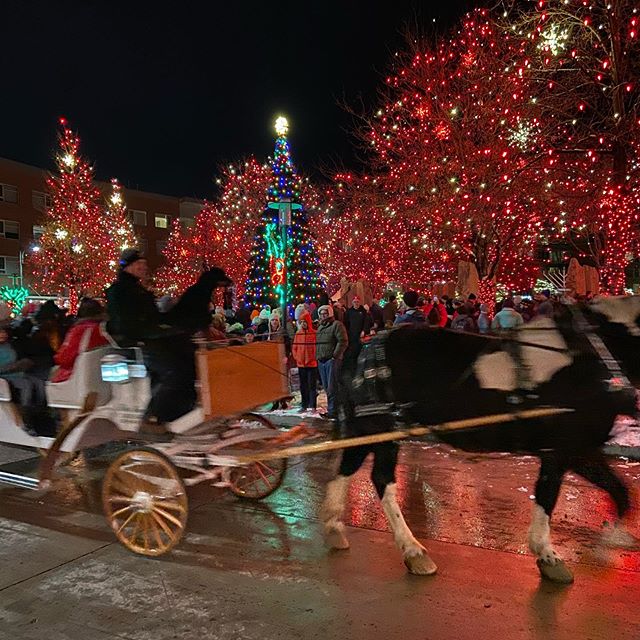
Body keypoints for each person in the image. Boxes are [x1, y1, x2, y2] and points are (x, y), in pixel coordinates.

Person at [106, 248, 231, 434]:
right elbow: (129, 324)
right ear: (128, 267)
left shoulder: (138, 290)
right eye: (139, 263)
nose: (143, 266)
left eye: (144, 263)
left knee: (189, 359)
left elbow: (152, 319)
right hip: (140, 343)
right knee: (175, 370)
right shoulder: (119, 291)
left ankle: (181, 410)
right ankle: (153, 415)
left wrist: (169, 328)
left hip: (152, 338)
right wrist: (160, 330)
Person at [51, 298, 109, 383]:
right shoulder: (105, 329)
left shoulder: (79, 330)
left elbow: (64, 358)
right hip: (102, 375)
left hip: (77, 377)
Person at [316, 304, 348, 420]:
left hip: (332, 360)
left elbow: (343, 341)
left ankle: (334, 410)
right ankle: (333, 408)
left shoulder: (337, 325)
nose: (323, 316)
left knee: (332, 387)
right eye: (321, 314)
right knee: (326, 387)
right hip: (322, 360)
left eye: (325, 314)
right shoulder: (320, 328)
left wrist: (335, 355)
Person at [292, 310, 319, 416]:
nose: (303, 324)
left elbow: (317, 347)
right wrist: (297, 357)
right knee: (303, 385)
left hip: (311, 364)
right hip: (301, 364)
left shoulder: (314, 334)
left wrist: (314, 357)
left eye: (305, 322)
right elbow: (295, 348)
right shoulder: (298, 334)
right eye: (301, 322)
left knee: (312, 385)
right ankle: (304, 405)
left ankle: (312, 405)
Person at [343, 296, 371, 369]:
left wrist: (364, 330)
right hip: (352, 335)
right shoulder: (349, 311)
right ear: (352, 303)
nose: (356, 303)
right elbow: (346, 323)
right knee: (353, 351)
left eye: (357, 302)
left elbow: (366, 322)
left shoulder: (363, 311)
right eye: (355, 302)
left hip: (361, 334)